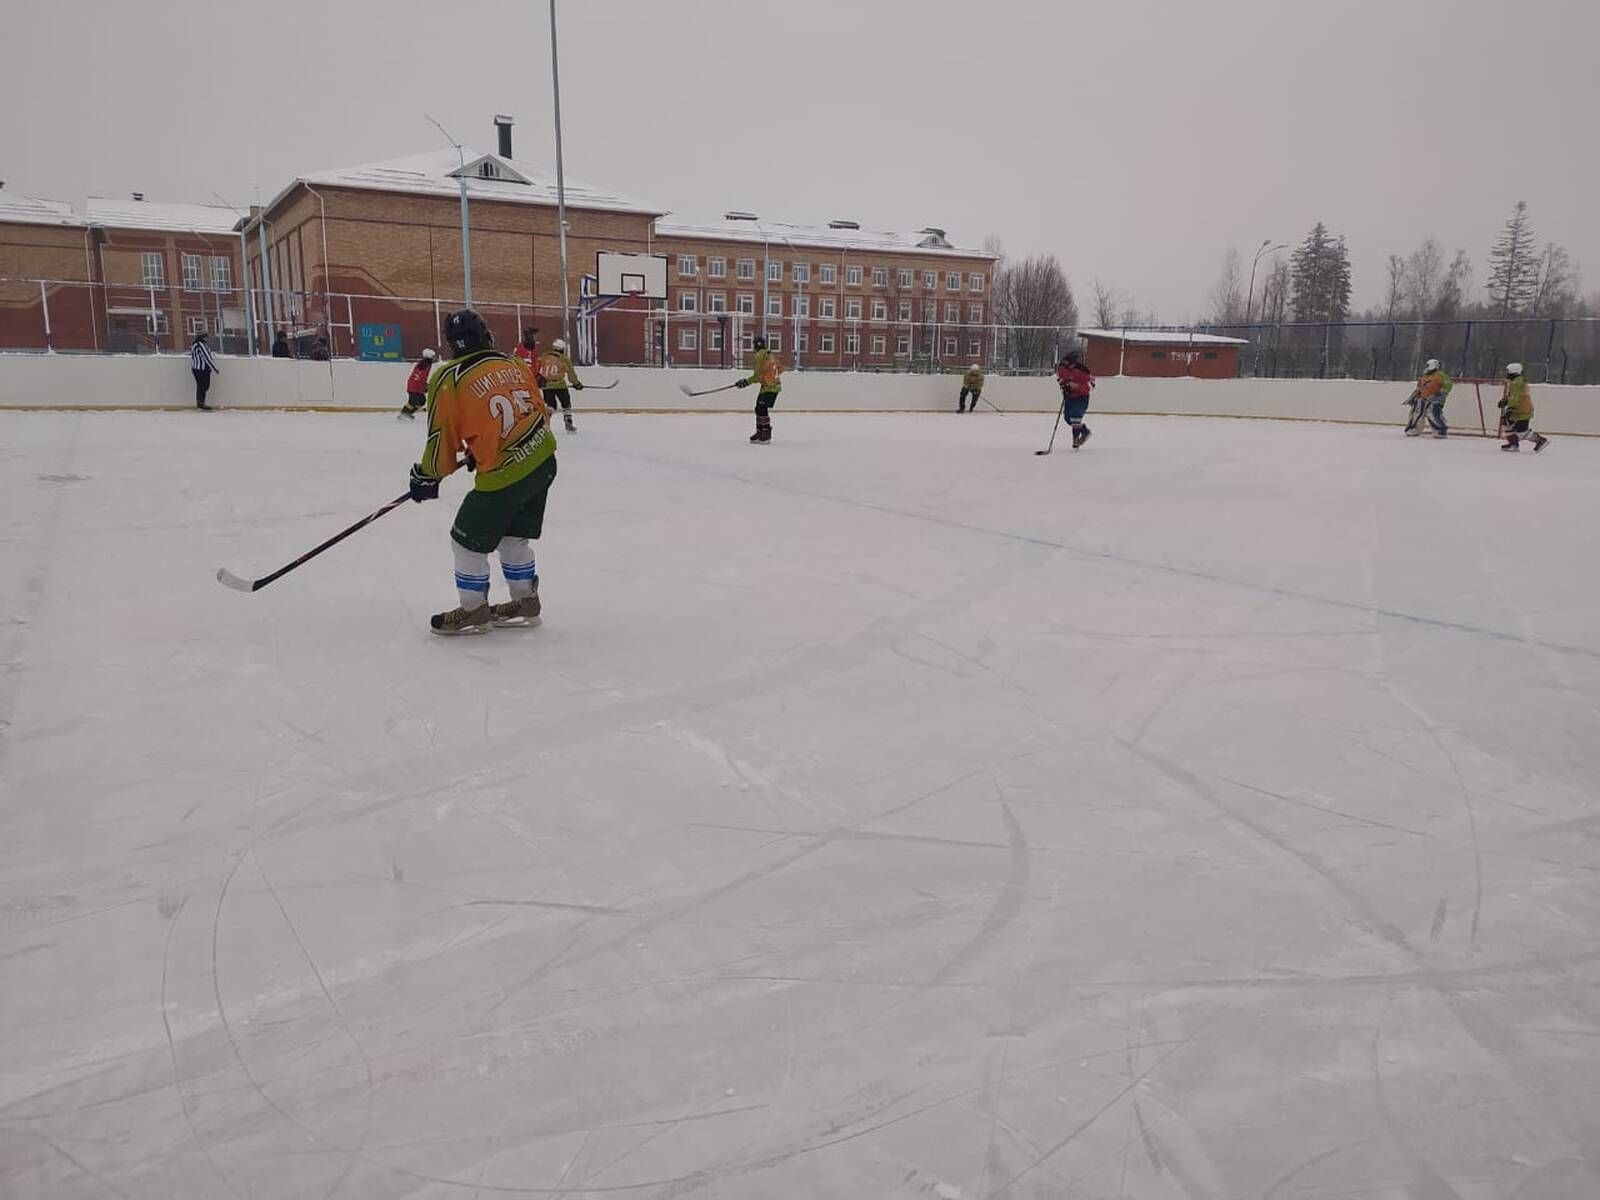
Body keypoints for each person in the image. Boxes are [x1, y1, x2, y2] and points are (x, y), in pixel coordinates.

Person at [408, 308, 558, 635]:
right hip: (544, 460)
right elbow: (539, 411)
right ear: (486, 335)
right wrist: (486, 446)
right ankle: (525, 601)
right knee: (513, 537)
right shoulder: (515, 364)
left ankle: (474, 609)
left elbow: (441, 441)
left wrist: (426, 476)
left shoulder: (449, 378)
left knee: (465, 543)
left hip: (506, 476)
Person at [734, 334, 783, 443]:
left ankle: (765, 433)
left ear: (755, 346)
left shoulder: (759, 356)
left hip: (770, 387)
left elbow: (757, 376)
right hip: (772, 386)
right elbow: (780, 368)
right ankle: (760, 431)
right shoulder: (770, 354)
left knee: (761, 408)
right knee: (759, 408)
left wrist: (745, 382)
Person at [1497, 362, 1549, 452]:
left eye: (1508, 371)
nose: (1507, 373)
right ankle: (1514, 444)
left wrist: (1510, 408)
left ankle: (1540, 440)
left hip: (1521, 411)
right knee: (1508, 425)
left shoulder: (1517, 383)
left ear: (1513, 372)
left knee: (1521, 431)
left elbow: (1515, 397)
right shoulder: (1518, 381)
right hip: (1522, 410)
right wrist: (1505, 401)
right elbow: (1514, 395)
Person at [538, 337, 583, 433]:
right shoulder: (564, 359)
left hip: (546, 385)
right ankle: (568, 423)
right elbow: (571, 374)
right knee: (566, 404)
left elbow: (536, 368)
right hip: (560, 385)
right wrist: (576, 384)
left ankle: (545, 424)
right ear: (562, 349)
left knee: (550, 405)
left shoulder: (543, 357)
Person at [1056, 349, 1095, 448]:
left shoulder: (1083, 371)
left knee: (1075, 416)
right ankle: (1085, 431)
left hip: (1082, 398)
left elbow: (1091, 385)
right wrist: (1064, 385)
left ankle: (1076, 439)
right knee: (1068, 418)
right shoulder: (1062, 368)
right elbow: (1060, 378)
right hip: (1069, 398)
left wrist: (1077, 386)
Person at [1405, 358, 1454, 437]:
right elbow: (1420, 386)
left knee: (1432, 413)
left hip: (1436, 398)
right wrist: (1415, 395)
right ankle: (1414, 429)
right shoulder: (1424, 376)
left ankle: (1440, 430)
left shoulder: (1440, 374)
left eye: (1428, 365)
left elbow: (1448, 384)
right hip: (1422, 397)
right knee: (1417, 413)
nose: (1426, 367)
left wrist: (1443, 392)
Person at [398, 348, 437, 420]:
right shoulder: (425, 364)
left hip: (416, 385)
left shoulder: (425, 363)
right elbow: (420, 377)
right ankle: (403, 414)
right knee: (413, 402)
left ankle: (407, 414)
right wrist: (424, 387)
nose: (434, 358)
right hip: (414, 386)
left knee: (422, 401)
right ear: (429, 356)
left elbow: (422, 377)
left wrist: (424, 386)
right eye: (433, 356)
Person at [189, 332, 219, 410]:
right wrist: (214, 368)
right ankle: (200, 404)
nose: (207, 338)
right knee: (203, 386)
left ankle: (200, 403)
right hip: (201, 369)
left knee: (202, 386)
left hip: (197, 368)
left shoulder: (195, 344)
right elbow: (207, 357)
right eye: (206, 336)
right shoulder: (201, 345)